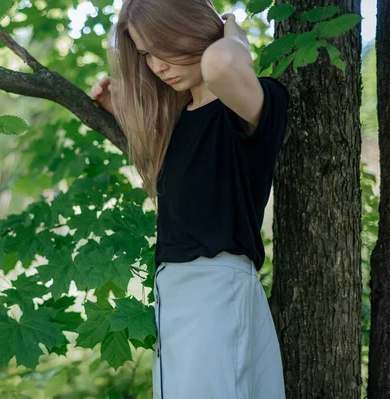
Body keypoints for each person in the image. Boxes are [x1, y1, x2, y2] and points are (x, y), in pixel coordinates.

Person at [90, 0, 290, 398]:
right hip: (177, 293)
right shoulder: (179, 121)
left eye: (163, 45)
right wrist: (119, 106)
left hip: (216, 287)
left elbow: (221, 65)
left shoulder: (251, 103)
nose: (157, 65)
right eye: (146, 54)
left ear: (195, 26)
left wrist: (231, 29)